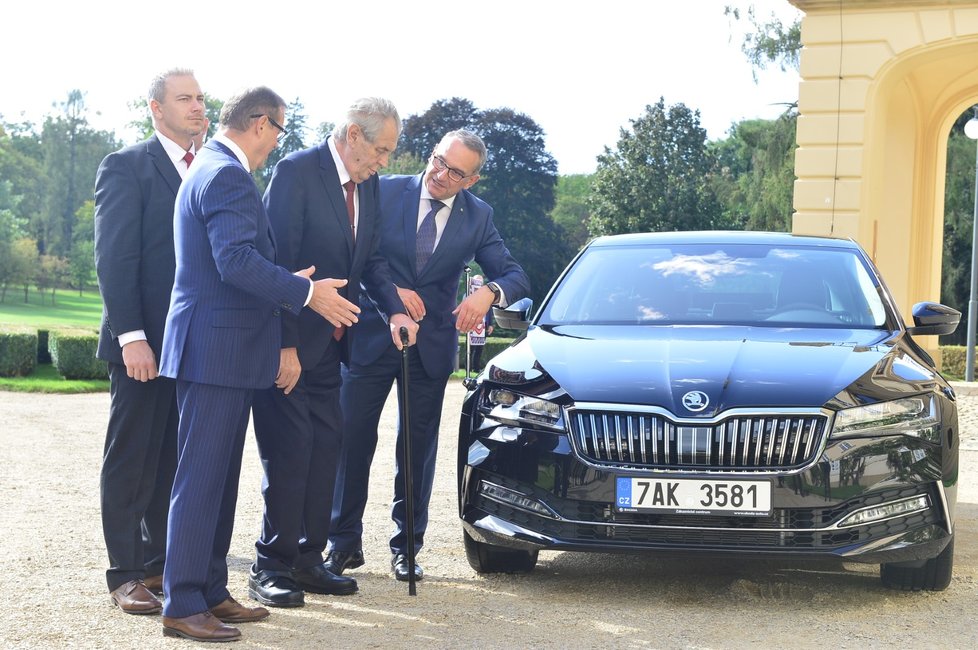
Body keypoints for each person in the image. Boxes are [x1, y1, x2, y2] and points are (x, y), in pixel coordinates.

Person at [157, 86, 373, 643]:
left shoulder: (212, 166)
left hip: (220, 350)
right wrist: (306, 295)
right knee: (201, 481)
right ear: (260, 123)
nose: (279, 142)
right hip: (216, 351)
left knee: (219, 482)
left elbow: (232, 258)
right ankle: (182, 602)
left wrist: (291, 286)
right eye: (279, 130)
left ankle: (208, 590)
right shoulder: (226, 173)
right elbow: (234, 260)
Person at [326, 129, 529, 582]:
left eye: (455, 172)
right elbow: (357, 256)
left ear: (472, 181)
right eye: (439, 161)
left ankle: (407, 549)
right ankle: (341, 544)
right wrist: (391, 295)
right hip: (371, 334)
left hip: (431, 348)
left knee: (416, 451)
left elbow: (515, 275)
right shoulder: (383, 188)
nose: (440, 174)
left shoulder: (478, 217)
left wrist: (490, 293)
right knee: (351, 441)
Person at [248, 98, 417, 608]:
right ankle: (269, 565)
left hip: (334, 348)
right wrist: (286, 345)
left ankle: (307, 559)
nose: (385, 162)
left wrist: (393, 310)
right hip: (291, 345)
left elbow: (374, 260)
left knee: (326, 451)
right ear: (353, 135)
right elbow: (275, 264)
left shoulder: (368, 186)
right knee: (290, 452)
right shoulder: (296, 171)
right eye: (381, 150)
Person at [93, 68, 206, 615]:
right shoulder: (126, 167)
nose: (197, 106)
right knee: (131, 458)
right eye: (184, 98)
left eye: (201, 98)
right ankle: (124, 572)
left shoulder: (209, 168)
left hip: (191, 347)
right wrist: (132, 337)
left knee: (169, 461)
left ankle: (159, 564)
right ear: (156, 108)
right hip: (141, 344)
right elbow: (115, 260)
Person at [466, 275, 495, 373]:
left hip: (483, 327)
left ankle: (476, 368)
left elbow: (490, 310)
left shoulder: (485, 294)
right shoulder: (468, 293)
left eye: (480, 281)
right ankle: (468, 368)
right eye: (477, 281)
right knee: (470, 349)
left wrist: (490, 324)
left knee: (479, 349)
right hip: (472, 325)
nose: (479, 283)